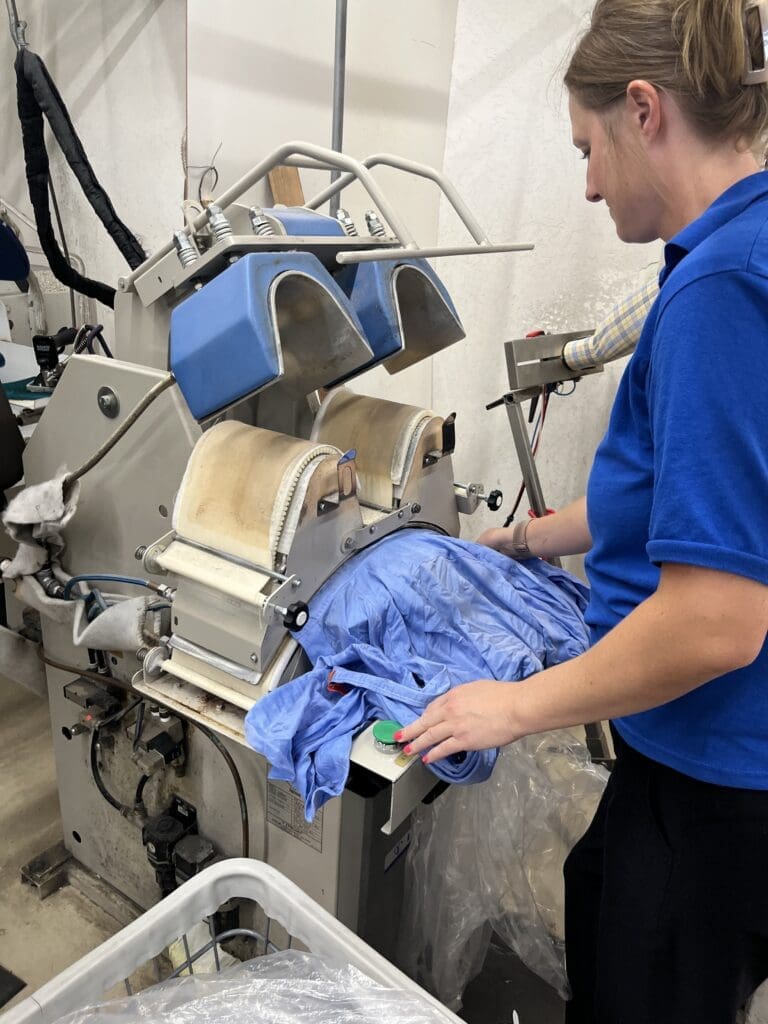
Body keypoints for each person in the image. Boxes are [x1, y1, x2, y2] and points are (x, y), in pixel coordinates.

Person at [396, 1, 768, 1020]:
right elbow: (669, 498)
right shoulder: (740, 249)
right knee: (598, 888)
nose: (592, 182)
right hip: (702, 760)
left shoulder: (721, 293)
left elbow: (718, 618)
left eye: (588, 148)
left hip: (718, 771)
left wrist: (511, 707)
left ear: (644, 111)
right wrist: (516, 539)